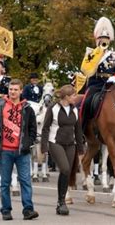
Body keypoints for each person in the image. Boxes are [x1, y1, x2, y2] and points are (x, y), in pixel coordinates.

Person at [0, 79, 39, 221]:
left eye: (16, 89)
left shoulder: (27, 108)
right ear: (8, 90)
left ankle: (28, 210)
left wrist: (28, 143)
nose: (13, 91)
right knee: (5, 182)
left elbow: (33, 129)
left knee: (25, 181)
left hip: (22, 152)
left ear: (21, 91)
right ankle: (6, 210)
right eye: (11, 89)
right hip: (4, 151)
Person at [41, 85, 84, 216]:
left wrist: (81, 150)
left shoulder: (75, 110)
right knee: (64, 169)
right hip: (55, 142)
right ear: (66, 97)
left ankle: (61, 202)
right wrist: (44, 148)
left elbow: (78, 130)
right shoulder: (53, 108)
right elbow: (45, 128)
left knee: (67, 172)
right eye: (73, 96)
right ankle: (61, 201)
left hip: (71, 144)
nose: (76, 98)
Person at [80, 17, 115, 124]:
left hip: (111, 84)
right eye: (101, 38)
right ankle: (82, 129)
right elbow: (86, 69)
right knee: (86, 103)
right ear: (97, 40)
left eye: (106, 38)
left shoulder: (113, 54)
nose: (104, 40)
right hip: (96, 84)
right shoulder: (91, 53)